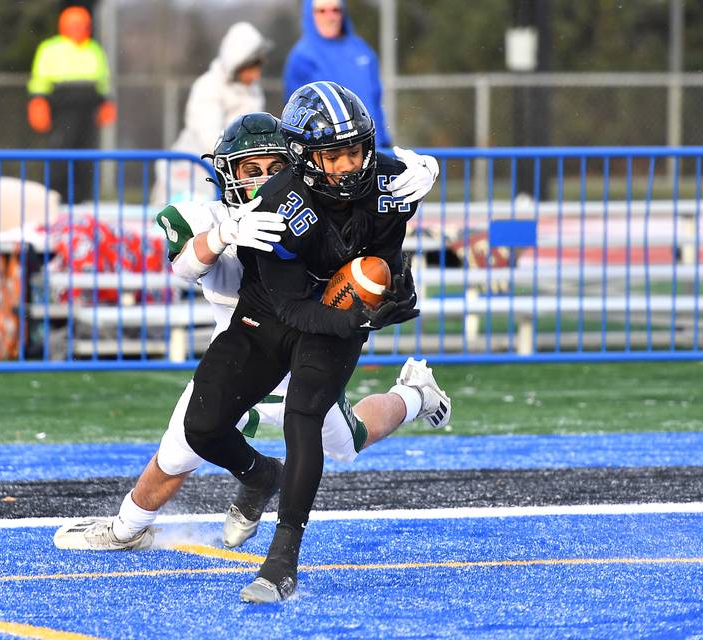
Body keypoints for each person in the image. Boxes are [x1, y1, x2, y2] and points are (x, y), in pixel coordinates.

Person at [53, 111, 449, 557]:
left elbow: (362, 177)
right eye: (252, 170)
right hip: (244, 348)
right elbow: (185, 265)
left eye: (276, 169)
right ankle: (131, 526)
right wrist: (224, 234)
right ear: (228, 174)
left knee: (345, 443)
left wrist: (417, 169)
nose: (264, 180)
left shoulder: (315, 204)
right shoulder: (206, 215)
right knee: (183, 444)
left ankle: (415, 394)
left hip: (305, 342)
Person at [178, 81, 438, 604]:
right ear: (303, 155)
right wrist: (356, 321)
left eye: (356, 150)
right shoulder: (280, 201)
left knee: (305, 420)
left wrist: (389, 286)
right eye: (334, 153)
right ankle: (261, 475)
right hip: (276, 312)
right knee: (200, 426)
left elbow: (387, 253)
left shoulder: (387, 180)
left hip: (334, 313)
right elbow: (291, 305)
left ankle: (281, 562)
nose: (349, 164)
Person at [150, 22, 272, 207]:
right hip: (194, 173)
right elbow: (211, 140)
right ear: (238, 64)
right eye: (252, 66)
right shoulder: (208, 86)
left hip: (232, 173)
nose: (256, 74)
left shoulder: (253, 91)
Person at [27, 5, 116, 204]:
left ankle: (82, 198)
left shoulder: (94, 49)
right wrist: (37, 102)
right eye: (75, 24)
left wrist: (106, 103)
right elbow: (40, 80)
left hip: (88, 110)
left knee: (86, 157)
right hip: (62, 109)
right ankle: (56, 198)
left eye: (83, 25)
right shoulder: (50, 48)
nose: (80, 28)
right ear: (64, 25)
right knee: (60, 154)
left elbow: (102, 81)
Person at [283, 0, 391, 147]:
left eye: (335, 10)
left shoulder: (361, 49)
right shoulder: (302, 56)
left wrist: (383, 139)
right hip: (330, 150)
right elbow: (296, 112)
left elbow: (376, 100)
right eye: (322, 11)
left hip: (371, 143)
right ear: (310, 14)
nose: (330, 17)